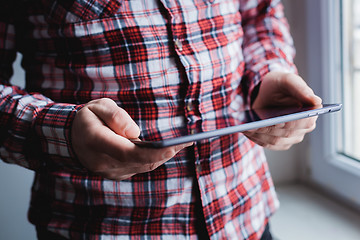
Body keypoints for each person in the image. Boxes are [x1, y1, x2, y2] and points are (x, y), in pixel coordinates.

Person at [0, 0, 321, 239]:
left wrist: (269, 71)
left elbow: (259, 13)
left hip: (245, 215)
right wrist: (62, 133)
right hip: (101, 227)